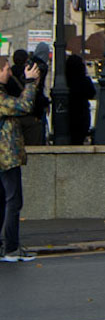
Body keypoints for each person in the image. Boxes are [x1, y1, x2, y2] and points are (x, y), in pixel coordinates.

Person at [0, 55, 42, 262]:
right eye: (6, 69)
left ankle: (4, 247)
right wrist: (29, 82)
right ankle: (11, 248)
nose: (9, 72)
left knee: (3, 202)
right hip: (5, 157)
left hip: (4, 157)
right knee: (13, 201)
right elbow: (24, 106)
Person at [65, 50, 97, 145]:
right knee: (79, 138)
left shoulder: (65, 80)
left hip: (68, 112)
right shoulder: (84, 80)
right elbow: (92, 93)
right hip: (81, 111)